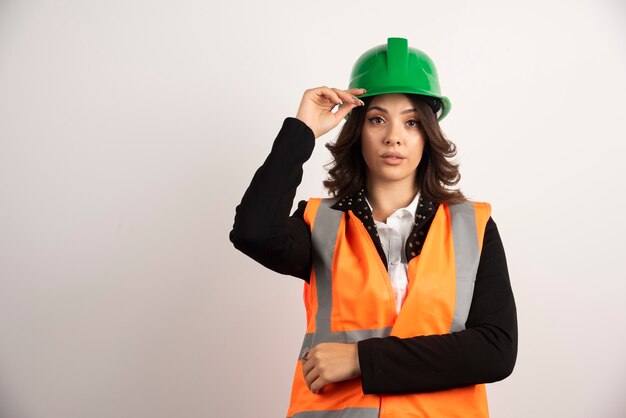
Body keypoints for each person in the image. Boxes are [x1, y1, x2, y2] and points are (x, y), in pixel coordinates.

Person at [230, 37, 517, 418]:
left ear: (428, 134)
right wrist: (302, 130)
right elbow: (252, 231)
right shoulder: (322, 224)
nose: (393, 136)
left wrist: (361, 361)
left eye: (411, 122)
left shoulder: (472, 227)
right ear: (357, 130)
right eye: (377, 119)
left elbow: (495, 350)